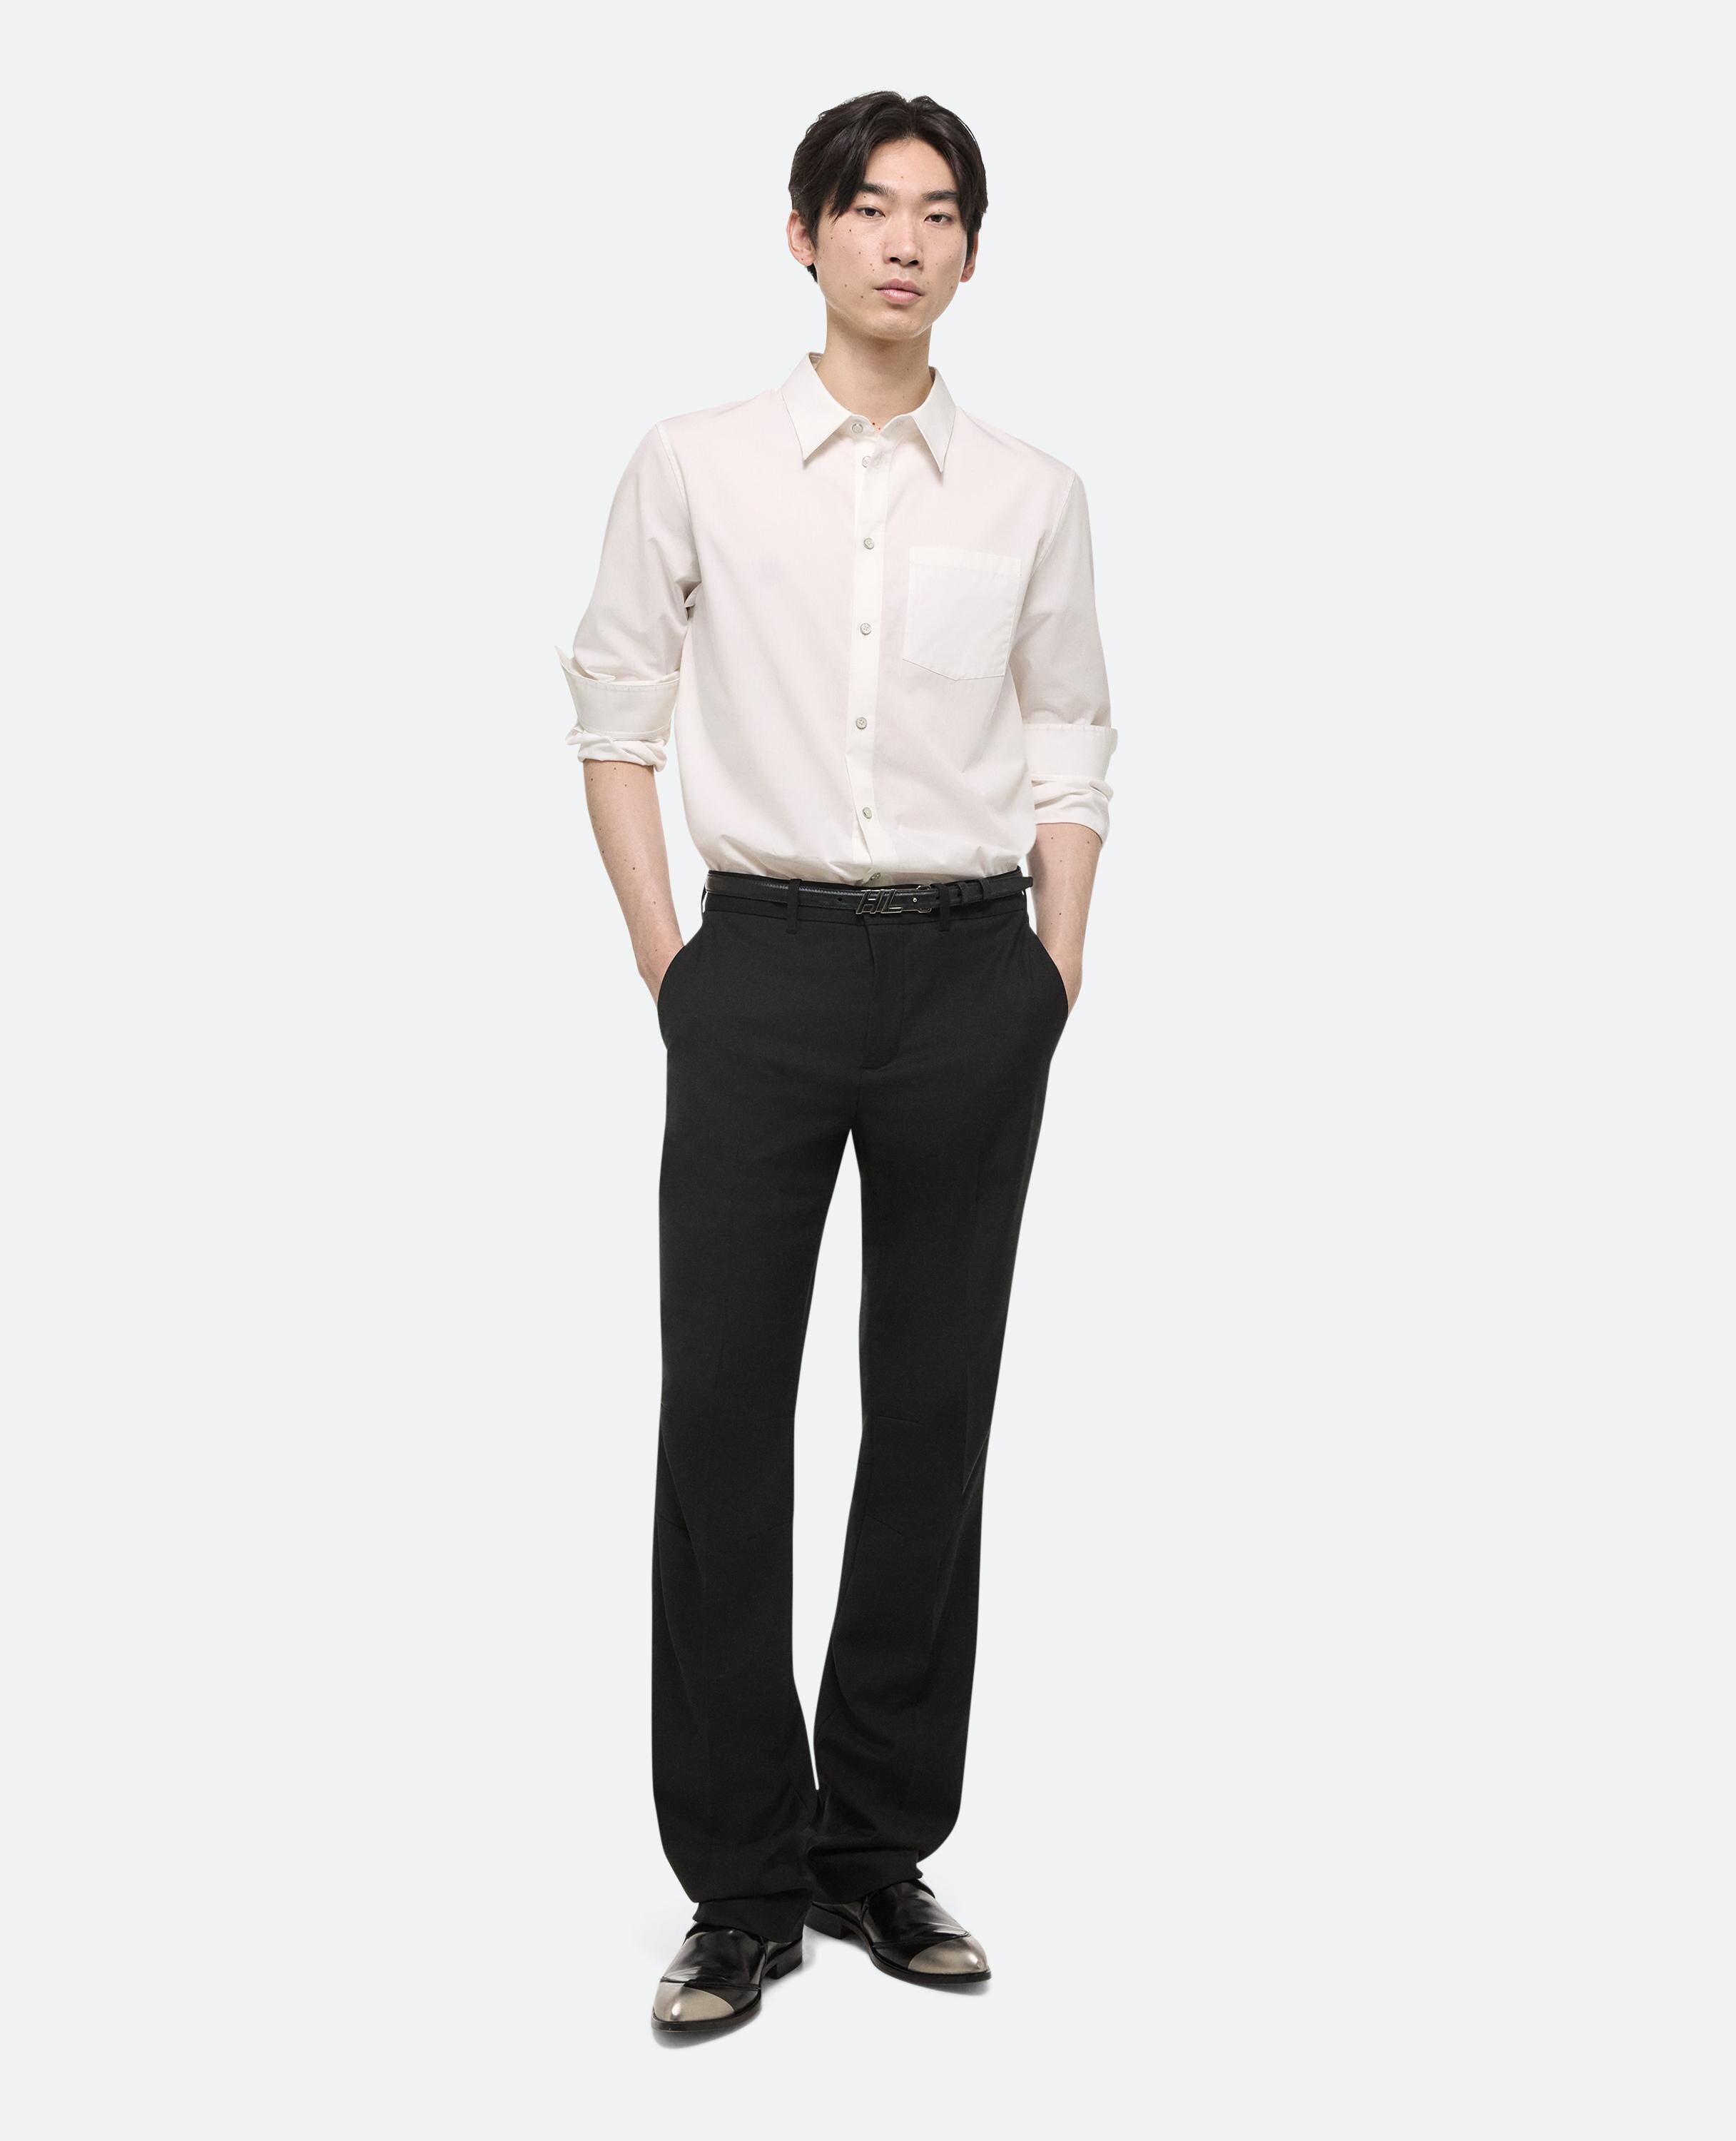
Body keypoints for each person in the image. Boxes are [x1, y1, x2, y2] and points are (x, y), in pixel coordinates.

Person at [557, 88, 1116, 2035]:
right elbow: (613, 706)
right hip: (762, 969)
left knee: (933, 1412)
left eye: (941, 213)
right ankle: (739, 1880)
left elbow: (1072, 733)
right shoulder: (696, 463)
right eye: (870, 209)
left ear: (971, 251)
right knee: (722, 1412)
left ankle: (875, 1846)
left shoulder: (1030, 491)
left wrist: (1053, 966)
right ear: (803, 235)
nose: (905, 241)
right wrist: (675, 966)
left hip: (972, 975)